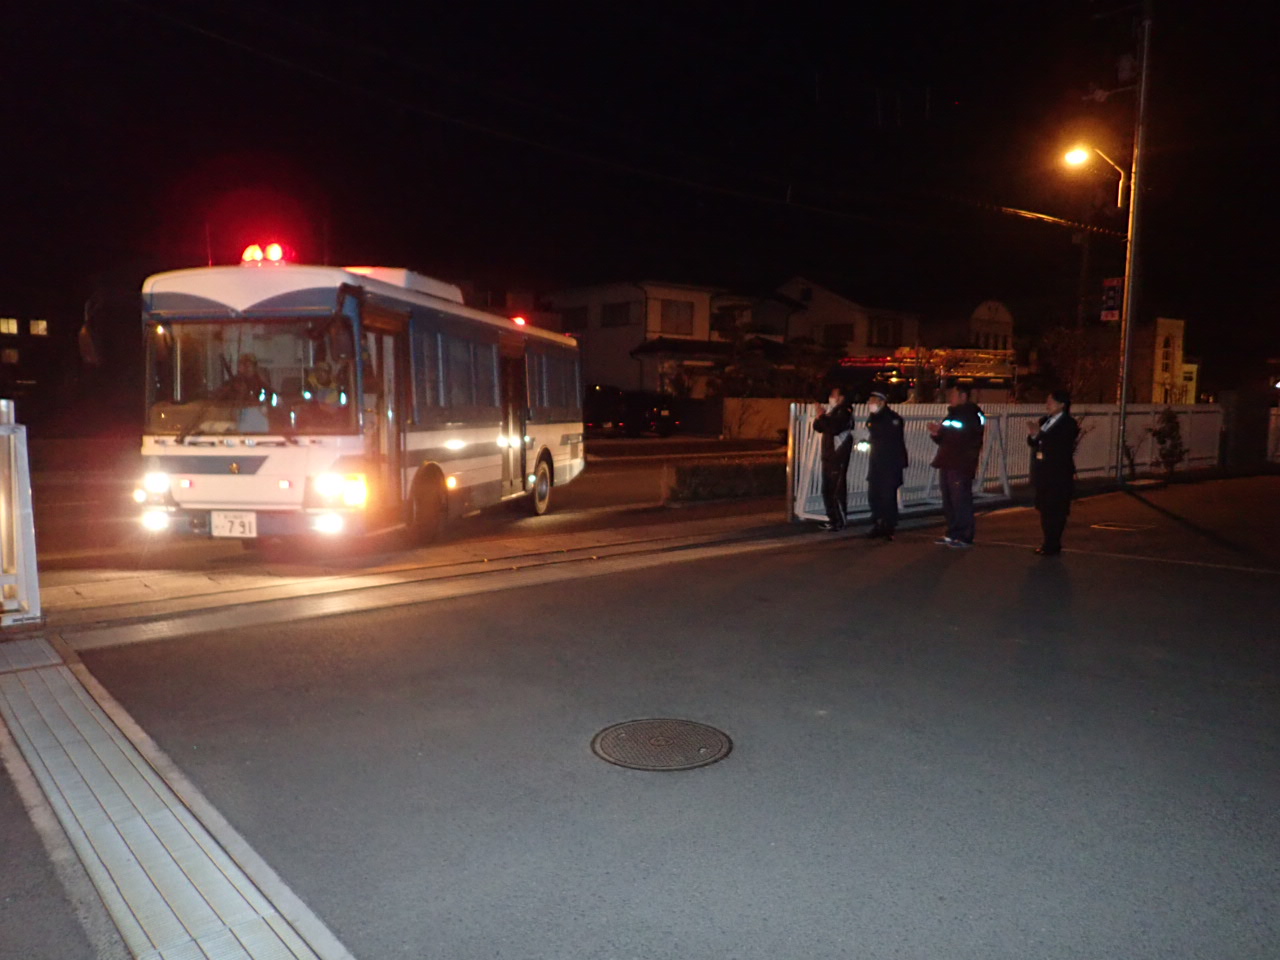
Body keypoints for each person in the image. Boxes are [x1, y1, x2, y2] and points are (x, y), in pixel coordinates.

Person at [927, 381, 985, 548]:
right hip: (948, 460)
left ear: (963, 396)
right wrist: (936, 434)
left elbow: (965, 438)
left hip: (960, 463)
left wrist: (943, 433)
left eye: (953, 394)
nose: (950, 398)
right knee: (949, 500)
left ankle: (965, 535)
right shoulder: (953, 414)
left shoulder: (972, 415)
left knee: (961, 499)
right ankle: (953, 532)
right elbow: (945, 437)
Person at [1026, 389, 1079, 556]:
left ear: (1062, 404)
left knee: (1056, 509)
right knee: (1044, 508)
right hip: (1043, 471)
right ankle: (1047, 541)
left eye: (1051, 401)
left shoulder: (1069, 424)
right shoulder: (1044, 420)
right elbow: (1034, 442)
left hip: (1059, 473)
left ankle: (1052, 543)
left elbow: (1060, 444)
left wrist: (1040, 435)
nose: (1047, 405)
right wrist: (1034, 436)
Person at [864, 389, 908, 540]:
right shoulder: (874, 417)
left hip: (890, 463)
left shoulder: (892, 419)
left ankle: (888, 526)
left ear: (882, 402)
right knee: (874, 495)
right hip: (877, 462)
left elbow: (885, 436)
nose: (870, 404)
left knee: (888, 496)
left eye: (873, 401)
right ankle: (878, 523)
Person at [812, 385, 854, 531]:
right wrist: (820, 416)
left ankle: (840, 521)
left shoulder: (844, 412)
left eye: (834, 394)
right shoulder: (832, 412)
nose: (831, 397)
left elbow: (834, 429)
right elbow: (818, 426)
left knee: (836, 490)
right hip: (829, 457)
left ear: (841, 397)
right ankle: (833, 519)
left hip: (838, 458)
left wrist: (822, 417)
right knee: (827, 490)